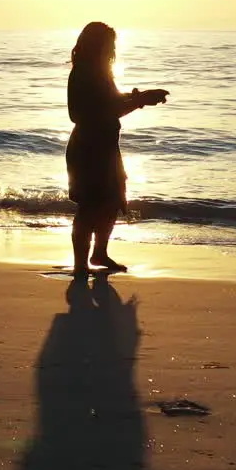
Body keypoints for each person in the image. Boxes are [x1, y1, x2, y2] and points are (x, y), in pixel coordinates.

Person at [65, 22, 169, 278]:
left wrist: (139, 98)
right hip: (88, 149)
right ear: (96, 45)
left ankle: (100, 252)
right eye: (109, 44)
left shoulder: (102, 73)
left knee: (112, 201)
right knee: (89, 206)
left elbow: (113, 104)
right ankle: (81, 265)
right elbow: (77, 114)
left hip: (107, 147)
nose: (113, 48)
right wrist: (138, 101)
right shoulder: (82, 74)